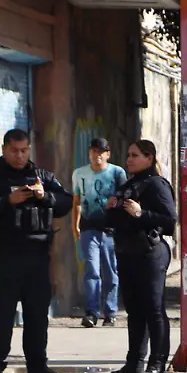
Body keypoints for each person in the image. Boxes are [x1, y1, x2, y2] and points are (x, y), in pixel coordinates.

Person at [0, 128, 72, 373]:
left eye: (24, 150)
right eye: (14, 151)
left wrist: (44, 196)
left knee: (37, 315)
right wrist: (7, 200)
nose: (20, 156)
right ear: (4, 149)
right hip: (8, 256)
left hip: (38, 256)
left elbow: (66, 202)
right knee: (3, 314)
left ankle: (37, 366)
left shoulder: (42, 176)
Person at [105, 140, 177, 373]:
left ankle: (158, 363)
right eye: (128, 155)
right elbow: (115, 221)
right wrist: (110, 209)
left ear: (149, 158)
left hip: (150, 253)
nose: (129, 159)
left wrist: (141, 213)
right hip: (128, 253)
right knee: (134, 310)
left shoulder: (156, 184)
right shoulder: (128, 185)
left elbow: (170, 221)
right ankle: (134, 363)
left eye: (135, 155)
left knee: (153, 309)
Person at [72, 137, 128, 328]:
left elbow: (125, 198)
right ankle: (91, 312)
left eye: (101, 151)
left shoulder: (117, 173)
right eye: (94, 151)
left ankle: (110, 312)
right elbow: (77, 200)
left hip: (111, 229)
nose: (97, 155)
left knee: (111, 271)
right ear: (89, 153)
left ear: (108, 154)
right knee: (92, 270)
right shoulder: (79, 174)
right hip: (89, 227)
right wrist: (75, 225)